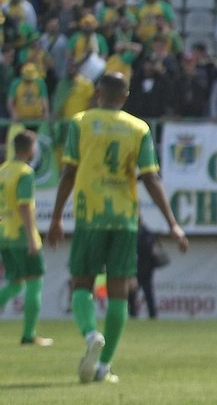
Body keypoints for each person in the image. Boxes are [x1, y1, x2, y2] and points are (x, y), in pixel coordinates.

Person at [45, 73, 187, 383]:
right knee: (119, 289)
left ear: (97, 94)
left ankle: (90, 335)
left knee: (81, 284)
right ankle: (104, 366)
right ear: (125, 97)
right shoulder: (139, 128)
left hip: (89, 215)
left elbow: (69, 172)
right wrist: (173, 224)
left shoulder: (80, 122)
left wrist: (56, 218)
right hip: (125, 219)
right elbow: (151, 178)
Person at [0, 129, 52, 347]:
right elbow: (24, 205)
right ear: (31, 149)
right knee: (34, 281)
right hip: (21, 235)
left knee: (14, 283)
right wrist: (32, 237)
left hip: (4, 234)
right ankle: (29, 335)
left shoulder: (3, 170)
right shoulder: (25, 172)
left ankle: (30, 333)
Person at [129, 221, 168, 320]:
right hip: (137, 269)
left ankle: (152, 315)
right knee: (133, 295)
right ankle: (134, 315)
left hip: (144, 269)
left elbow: (145, 251)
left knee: (147, 294)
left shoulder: (145, 234)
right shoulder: (143, 233)